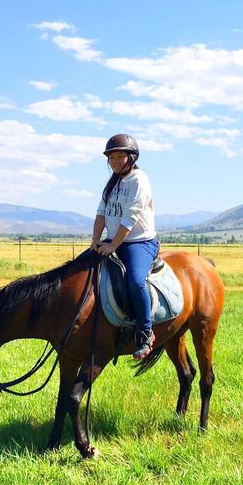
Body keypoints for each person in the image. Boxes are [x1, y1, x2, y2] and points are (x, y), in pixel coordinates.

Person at [91, 133, 159, 360]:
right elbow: (101, 213)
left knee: (135, 280)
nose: (114, 161)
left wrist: (113, 245)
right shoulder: (113, 183)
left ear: (132, 157)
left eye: (120, 156)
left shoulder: (139, 180)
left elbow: (131, 217)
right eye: (111, 157)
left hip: (139, 242)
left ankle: (145, 331)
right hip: (114, 240)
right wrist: (95, 241)